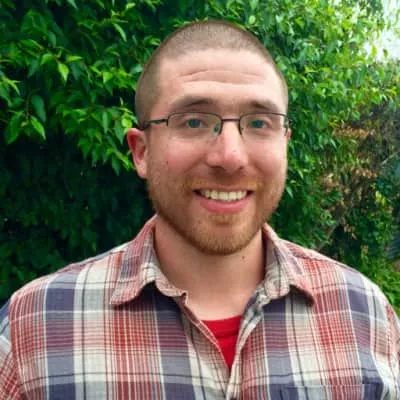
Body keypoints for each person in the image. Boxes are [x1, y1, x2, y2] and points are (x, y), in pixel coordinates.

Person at [0, 20, 399, 400]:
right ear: (141, 151)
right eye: (193, 121)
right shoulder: (31, 330)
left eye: (259, 123)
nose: (230, 156)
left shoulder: (366, 315)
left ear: (284, 143)